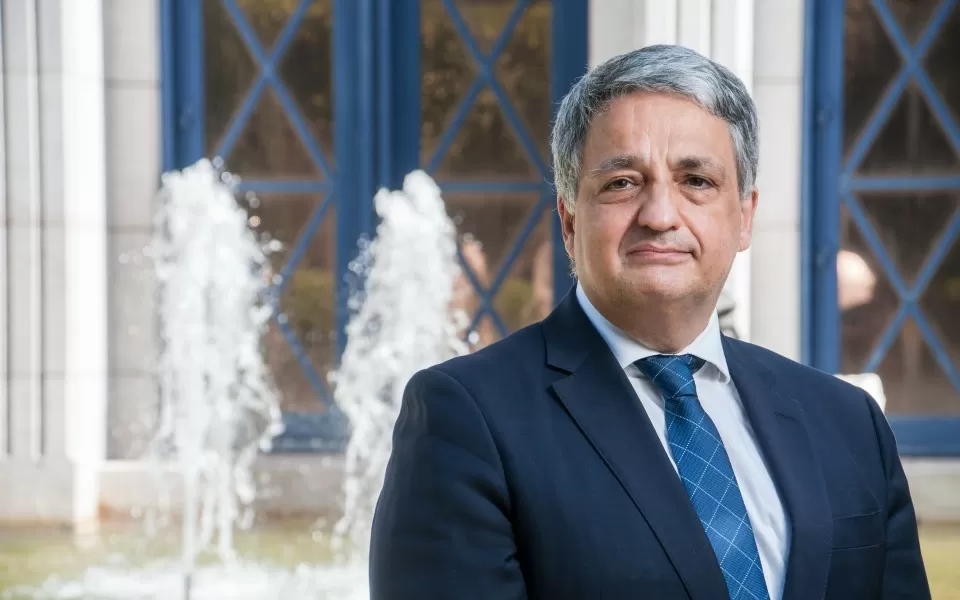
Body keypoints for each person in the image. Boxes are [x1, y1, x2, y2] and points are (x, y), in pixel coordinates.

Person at [368, 45, 930, 600]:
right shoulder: (466, 419)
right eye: (622, 182)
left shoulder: (848, 422)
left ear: (744, 217)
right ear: (569, 221)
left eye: (697, 181)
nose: (660, 216)